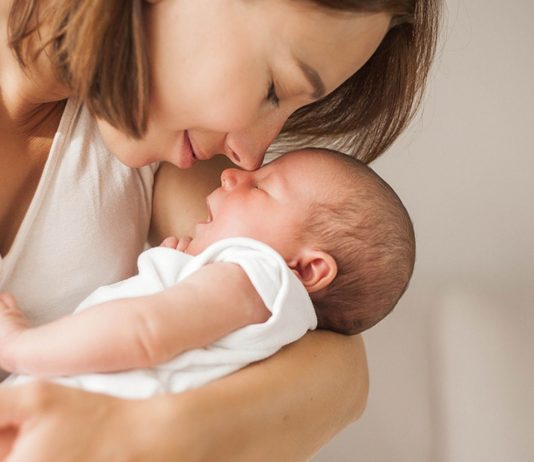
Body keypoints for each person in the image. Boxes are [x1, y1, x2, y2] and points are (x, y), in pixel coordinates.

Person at [0, 0, 440, 460]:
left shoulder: (163, 147)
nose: (249, 158)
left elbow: (339, 370)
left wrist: (136, 434)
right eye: (275, 88)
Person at [0, 148, 415, 398]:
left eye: (262, 187)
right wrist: (180, 272)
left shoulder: (259, 274)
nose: (232, 173)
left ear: (307, 268)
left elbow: (146, 332)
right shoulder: (260, 305)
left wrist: (20, 345)